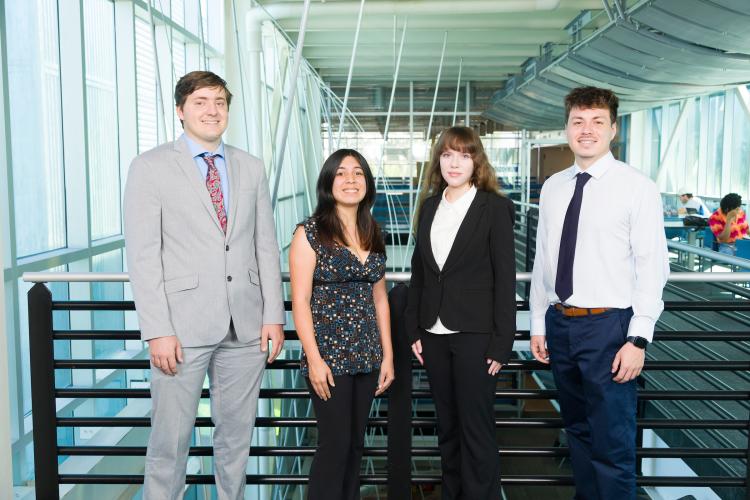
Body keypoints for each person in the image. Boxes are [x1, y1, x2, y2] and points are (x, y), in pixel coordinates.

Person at [124, 71, 285, 500]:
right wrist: (157, 328)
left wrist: (273, 316)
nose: (212, 110)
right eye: (200, 101)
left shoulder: (250, 167)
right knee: (169, 443)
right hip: (181, 328)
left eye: (219, 101)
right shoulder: (150, 167)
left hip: (245, 326)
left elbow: (265, 246)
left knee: (235, 441)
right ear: (180, 111)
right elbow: (143, 255)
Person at [529, 86, 669, 500]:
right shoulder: (553, 187)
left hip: (610, 329)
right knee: (578, 435)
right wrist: (538, 322)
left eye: (596, 122)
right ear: (567, 128)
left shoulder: (636, 187)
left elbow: (652, 267)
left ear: (612, 130)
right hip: (561, 324)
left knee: (613, 445)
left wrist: (638, 338)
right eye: (578, 121)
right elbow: (544, 261)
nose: (586, 130)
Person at [405, 126, 517, 499]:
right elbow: (420, 274)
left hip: (476, 336)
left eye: (464, 155)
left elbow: (505, 278)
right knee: (448, 430)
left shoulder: (495, 207)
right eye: (448, 155)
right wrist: (414, 330)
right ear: (439, 160)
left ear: (476, 162)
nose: (455, 163)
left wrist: (502, 343)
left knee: (476, 432)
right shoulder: (430, 206)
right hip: (433, 336)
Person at [289, 149, 394, 500]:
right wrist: (314, 359)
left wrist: (388, 357)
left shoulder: (372, 230)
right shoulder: (309, 233)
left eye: (358, 173)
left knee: (354, 446)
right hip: (328, 357)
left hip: (367, 354)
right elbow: (300, 301)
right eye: (341, 174)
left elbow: (380, 298)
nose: (351, 180)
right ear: (328, 182)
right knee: (334, 446)